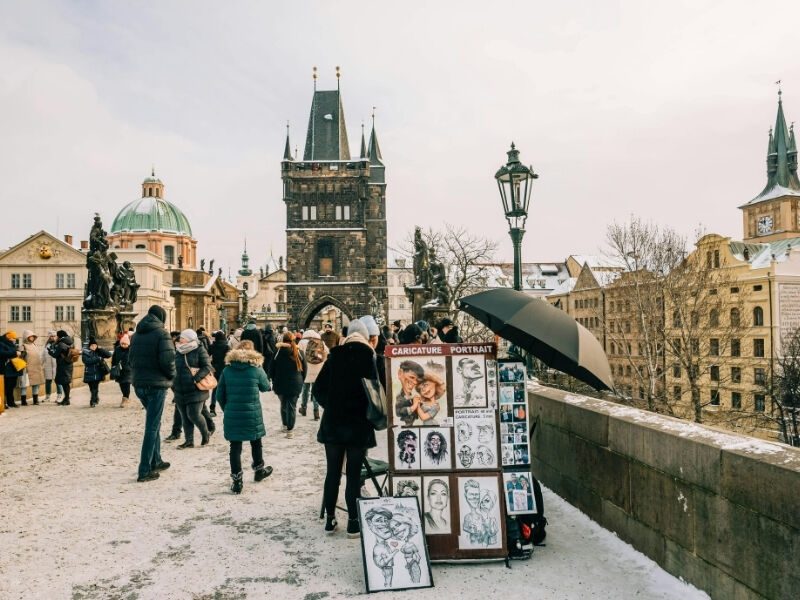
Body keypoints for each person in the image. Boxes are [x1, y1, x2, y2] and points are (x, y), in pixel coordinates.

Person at [313, 317, 379, 537]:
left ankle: (330, 520)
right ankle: (353, 522)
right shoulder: (370, 357)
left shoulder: (334, 356)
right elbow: (378, 392)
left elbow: (318, 390)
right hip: (358, 425)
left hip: (333, 423)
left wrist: (330, 405)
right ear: (365, 336)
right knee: (352, 475)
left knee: (332, 473)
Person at [216, 340, 273, 494]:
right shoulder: (255, 369)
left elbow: (219, 395)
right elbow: (266, 387)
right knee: (256, 442)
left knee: (235, 447)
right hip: (252, 413)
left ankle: (237, 481)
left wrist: (227, 409)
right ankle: (259, 471)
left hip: (232, 413)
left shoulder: (227, 370)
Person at [129, 305, 176, 482]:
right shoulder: (162, 334)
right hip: (156, 385)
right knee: (152, 427)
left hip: (139, 384)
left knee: (153, 423)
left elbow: (130, 359)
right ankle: (144, 469)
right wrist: (172, 377)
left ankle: (156, 460)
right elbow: (168, 360)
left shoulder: (136, 335)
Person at [173, 329, 213, 449]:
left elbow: (207, 367)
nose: (180, 339)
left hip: (196, 388)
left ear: (189, 339)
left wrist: (196, 378)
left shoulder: (199, 349)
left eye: (183, 338)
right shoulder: (179, 350)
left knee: (194, 414)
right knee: (185, 416)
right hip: (180, 388)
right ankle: (189, 441)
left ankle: (205, 433)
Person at [270, 331, 307, 438]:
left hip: (280, 382)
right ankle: (290, 430)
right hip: (295, 382)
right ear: (293, 340)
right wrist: (301, 380)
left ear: (283, 340)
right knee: (292, 406)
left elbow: (271, 368)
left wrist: (273, 379)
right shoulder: (299, 352)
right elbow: (305, 369)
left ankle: (285, 425)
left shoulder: (277, 352)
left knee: (283, 404)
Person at [298, 328, 327, 420]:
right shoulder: (320, 342)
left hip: (306, 370)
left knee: (305, 389)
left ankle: (303, 408)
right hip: (318, 370)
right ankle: (316, 412)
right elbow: (326, 353)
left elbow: (297, 355)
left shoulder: (302, 342)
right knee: (315, 391)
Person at [82, 337, 112, 407]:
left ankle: (92, 401)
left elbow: (108, 355)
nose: (94, 347)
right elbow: (86, 361)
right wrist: (98, 359)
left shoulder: (98, 351)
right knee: (91, 388)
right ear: (89, 346)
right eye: (92, 345)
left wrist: (100, 349)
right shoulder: (85, 352)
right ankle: (95, 398)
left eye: (95, 345)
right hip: (89, 373)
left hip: (98, 373)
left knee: (95, 387)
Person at [50, 330, 76, 406]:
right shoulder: (70, 342)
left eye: (57, 335)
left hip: (63, 365)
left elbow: (55, 355)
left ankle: (66, 399)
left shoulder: (61, 344)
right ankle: (66, 399)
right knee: (66, 382)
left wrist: (50, 351)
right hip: (69, 364)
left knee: (64, 383)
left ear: (59, 336)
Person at [395, 360, 424, 427]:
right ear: (400, 373)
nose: (415, 382)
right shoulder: (399, 396)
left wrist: (420, 404)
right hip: (404, 425)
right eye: (412, 377)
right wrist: (413, 406)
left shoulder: (413, 394)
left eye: (417, 380)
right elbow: (398, 412)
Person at [20, 330, 45, 405]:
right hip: (26, 368)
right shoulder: (23, 346)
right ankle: (23, 401)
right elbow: (19, 357)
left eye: (33, 336)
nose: (32, 338)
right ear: (26, 337)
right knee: (24, 385)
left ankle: (35, 400)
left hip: (36, 367)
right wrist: (22, 354)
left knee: (36, 384)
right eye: (30, 336)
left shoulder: (35, 345)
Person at [208, 330, 230, 416]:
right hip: (225, 369)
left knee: (215, 389)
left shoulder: (212, 346)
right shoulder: (226, 347)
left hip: (215, 369)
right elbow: (229, 359)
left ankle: (212, 408)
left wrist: (210, 366)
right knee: (225, 388)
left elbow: (207, 356)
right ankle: (226, 407)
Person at [1, 330, 23, 409]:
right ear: (9, 337)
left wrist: (19, 352)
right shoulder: (1, 343)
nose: (15, 339)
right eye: (13, 338)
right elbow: (2, 353)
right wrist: (15, 353)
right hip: (6, 369)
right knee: (5, 387)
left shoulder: (11, 344)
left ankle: (11, 402)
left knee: (11, 386)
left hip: (13, 368)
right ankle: (3, 403)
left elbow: (13, 351)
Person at [111, 333, 133, 407]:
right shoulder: (117, 349)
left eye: (125, 344)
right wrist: (113, 366)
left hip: (128, 370)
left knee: (126, 383)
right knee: (121, 384)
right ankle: (125, 397)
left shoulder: (131, 350)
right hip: (119, 370)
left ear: (128, 344)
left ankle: (125, 398)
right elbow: (114, 359)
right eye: (122, 343)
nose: (123, 345)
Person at [41, 331, 63, 402]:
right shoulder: (46, 346)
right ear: (49, 337)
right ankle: (48, 396)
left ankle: (59, 396)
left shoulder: (59, 344)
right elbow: (42, 356)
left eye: (54, 336)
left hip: (57, 365)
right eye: (51, 336)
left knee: (58, 381)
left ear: (56, 336)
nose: (53, 337)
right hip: (48, 366)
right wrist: (40, 364)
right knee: (48, 381)